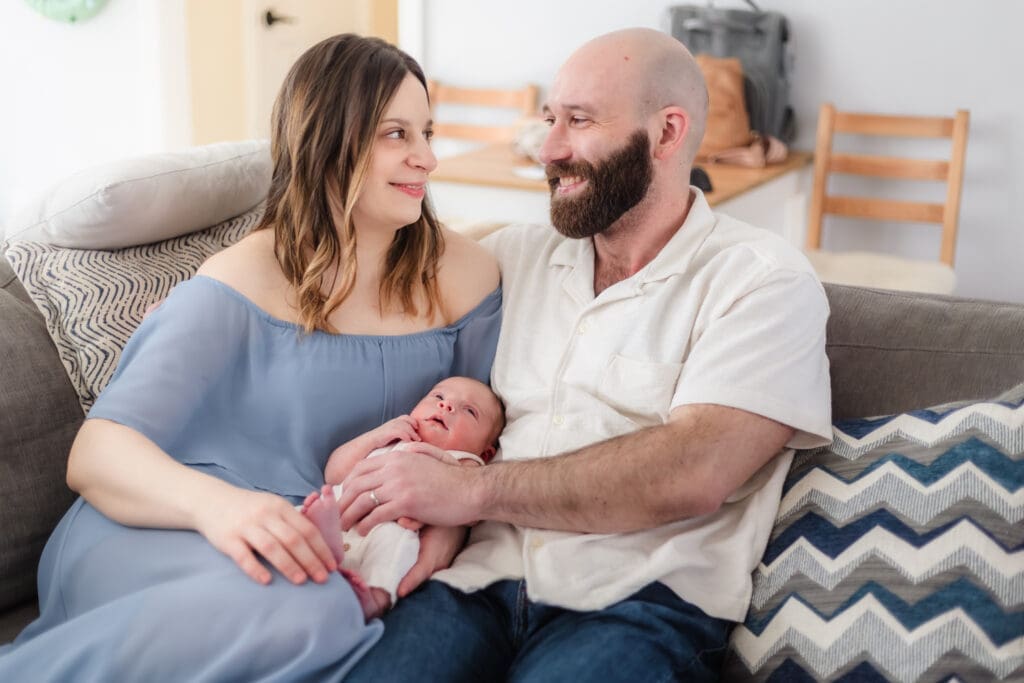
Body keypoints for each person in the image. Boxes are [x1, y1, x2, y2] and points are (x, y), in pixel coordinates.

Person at [0, 34, 500, 681]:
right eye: (396, 134)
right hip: (172, 521)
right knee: (315, 608)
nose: (428, 158)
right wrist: (224, 508)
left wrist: (449, 525)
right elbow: (96, 453)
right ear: (331, 140)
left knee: (328, 603)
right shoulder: (243, 277)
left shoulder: (466, 274)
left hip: (322, 543)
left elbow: (493, 435)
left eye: (427, 131)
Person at [339, 27, 832, 682]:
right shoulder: (513, 258)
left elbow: (694, 468)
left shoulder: (760, 279)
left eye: (578, 121)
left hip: (634, 603)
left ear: (666, 133)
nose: (548, 149)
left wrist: (471, 488)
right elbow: (357, 264)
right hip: (468, 584)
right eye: (550, 119)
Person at [302, 376, 505, 620]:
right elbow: (334, 473)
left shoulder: (464, 462)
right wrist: (376, 436)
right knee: (316, 508)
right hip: (343, 509)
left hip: (395, 526)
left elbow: (472, 504)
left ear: (485, 451)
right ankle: (312, 544)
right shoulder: (394, 437)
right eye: (438, 397)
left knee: (394, 549)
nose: (446, 406)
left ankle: (375, 596)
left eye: (470, 411)